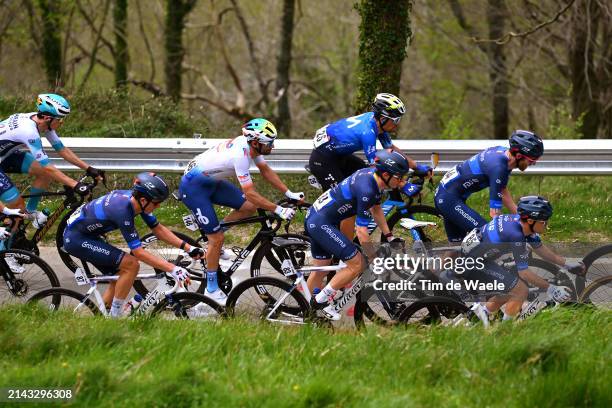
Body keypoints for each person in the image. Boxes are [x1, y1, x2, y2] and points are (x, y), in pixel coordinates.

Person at [179, 118, 303, 305]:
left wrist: (289, 193)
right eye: (270, 143)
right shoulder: (241, 155)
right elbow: (250, 193)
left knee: (248, 208)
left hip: (210, 181)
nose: (273, 146)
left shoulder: (252, 145)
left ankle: (212, 238)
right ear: (255, 142)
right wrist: (278, 210)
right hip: (193, 188)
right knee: (217, 239)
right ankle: (211, 288)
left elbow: (265, 170)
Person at [62, 172, 203, 318]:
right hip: (77, 239)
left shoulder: (136, 201)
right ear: (143, 200)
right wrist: (173, 268)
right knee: (131, 265)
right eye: (156, 202)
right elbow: (138, 252)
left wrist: (189, 248)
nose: (158, 205)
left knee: (119, 275)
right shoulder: (122, 211)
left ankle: (102, 319)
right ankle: (116, 317)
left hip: (87, 234)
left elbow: (158, 229)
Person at [308, 93, 430, 238]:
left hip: (340, 157)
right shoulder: (368, 131)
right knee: (347, 208)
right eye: (396, 119)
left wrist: (416, 166)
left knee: (365, 181)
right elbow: (377, 168)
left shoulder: (378, 125)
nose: (397, 123)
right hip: (324, 161)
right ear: (383, 118)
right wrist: (402, 184)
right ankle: (346, 254)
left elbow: (391, 150)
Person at [305, 150, 408, 320]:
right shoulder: (367, 190)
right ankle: (321, 301)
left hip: (316, 218)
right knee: (357, 264)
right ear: (385, 174)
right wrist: (373, 259)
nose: (402, 181)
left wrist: (389, 236)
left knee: (321, 269)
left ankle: (308, 314)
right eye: (399, 177)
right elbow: (361, 232)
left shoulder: (373, 179)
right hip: (321, 223)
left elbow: (376, 209)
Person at [458, 195, 585, 324]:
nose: (547, 225)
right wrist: (551, 288)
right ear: (530, 221)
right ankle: (505, 332)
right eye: (544, 222)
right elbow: (524, 272)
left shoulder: (521, 224)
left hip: (481, 255)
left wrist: (568, 264)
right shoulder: (516, 235)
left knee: (510, 287)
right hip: (475, 264)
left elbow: (540, 249)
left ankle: (483, 313)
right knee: (520, 290)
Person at [0, 93, 105, 229]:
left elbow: (61, 150)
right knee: (18, 209)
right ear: (48, 118)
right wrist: (75, 185)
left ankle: (31, 213)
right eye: (60, 119)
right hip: (4, 155)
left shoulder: (41, 121)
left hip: (5, 154)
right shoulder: (29, 131)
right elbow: (47, 166)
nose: (61, 122)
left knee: (45, 174)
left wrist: (89, 169)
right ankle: (6, 248)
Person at [435, 130, 544, 244]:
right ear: (518, 155)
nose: (534, 163)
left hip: (449, 195)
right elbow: (495, 214)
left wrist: (523, 218)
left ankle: (437, 262)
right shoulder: (498, 167)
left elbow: (502, 191)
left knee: (456, 249)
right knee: (487, 237)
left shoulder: (503, 155)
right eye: (532, 160)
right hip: (448, 199)